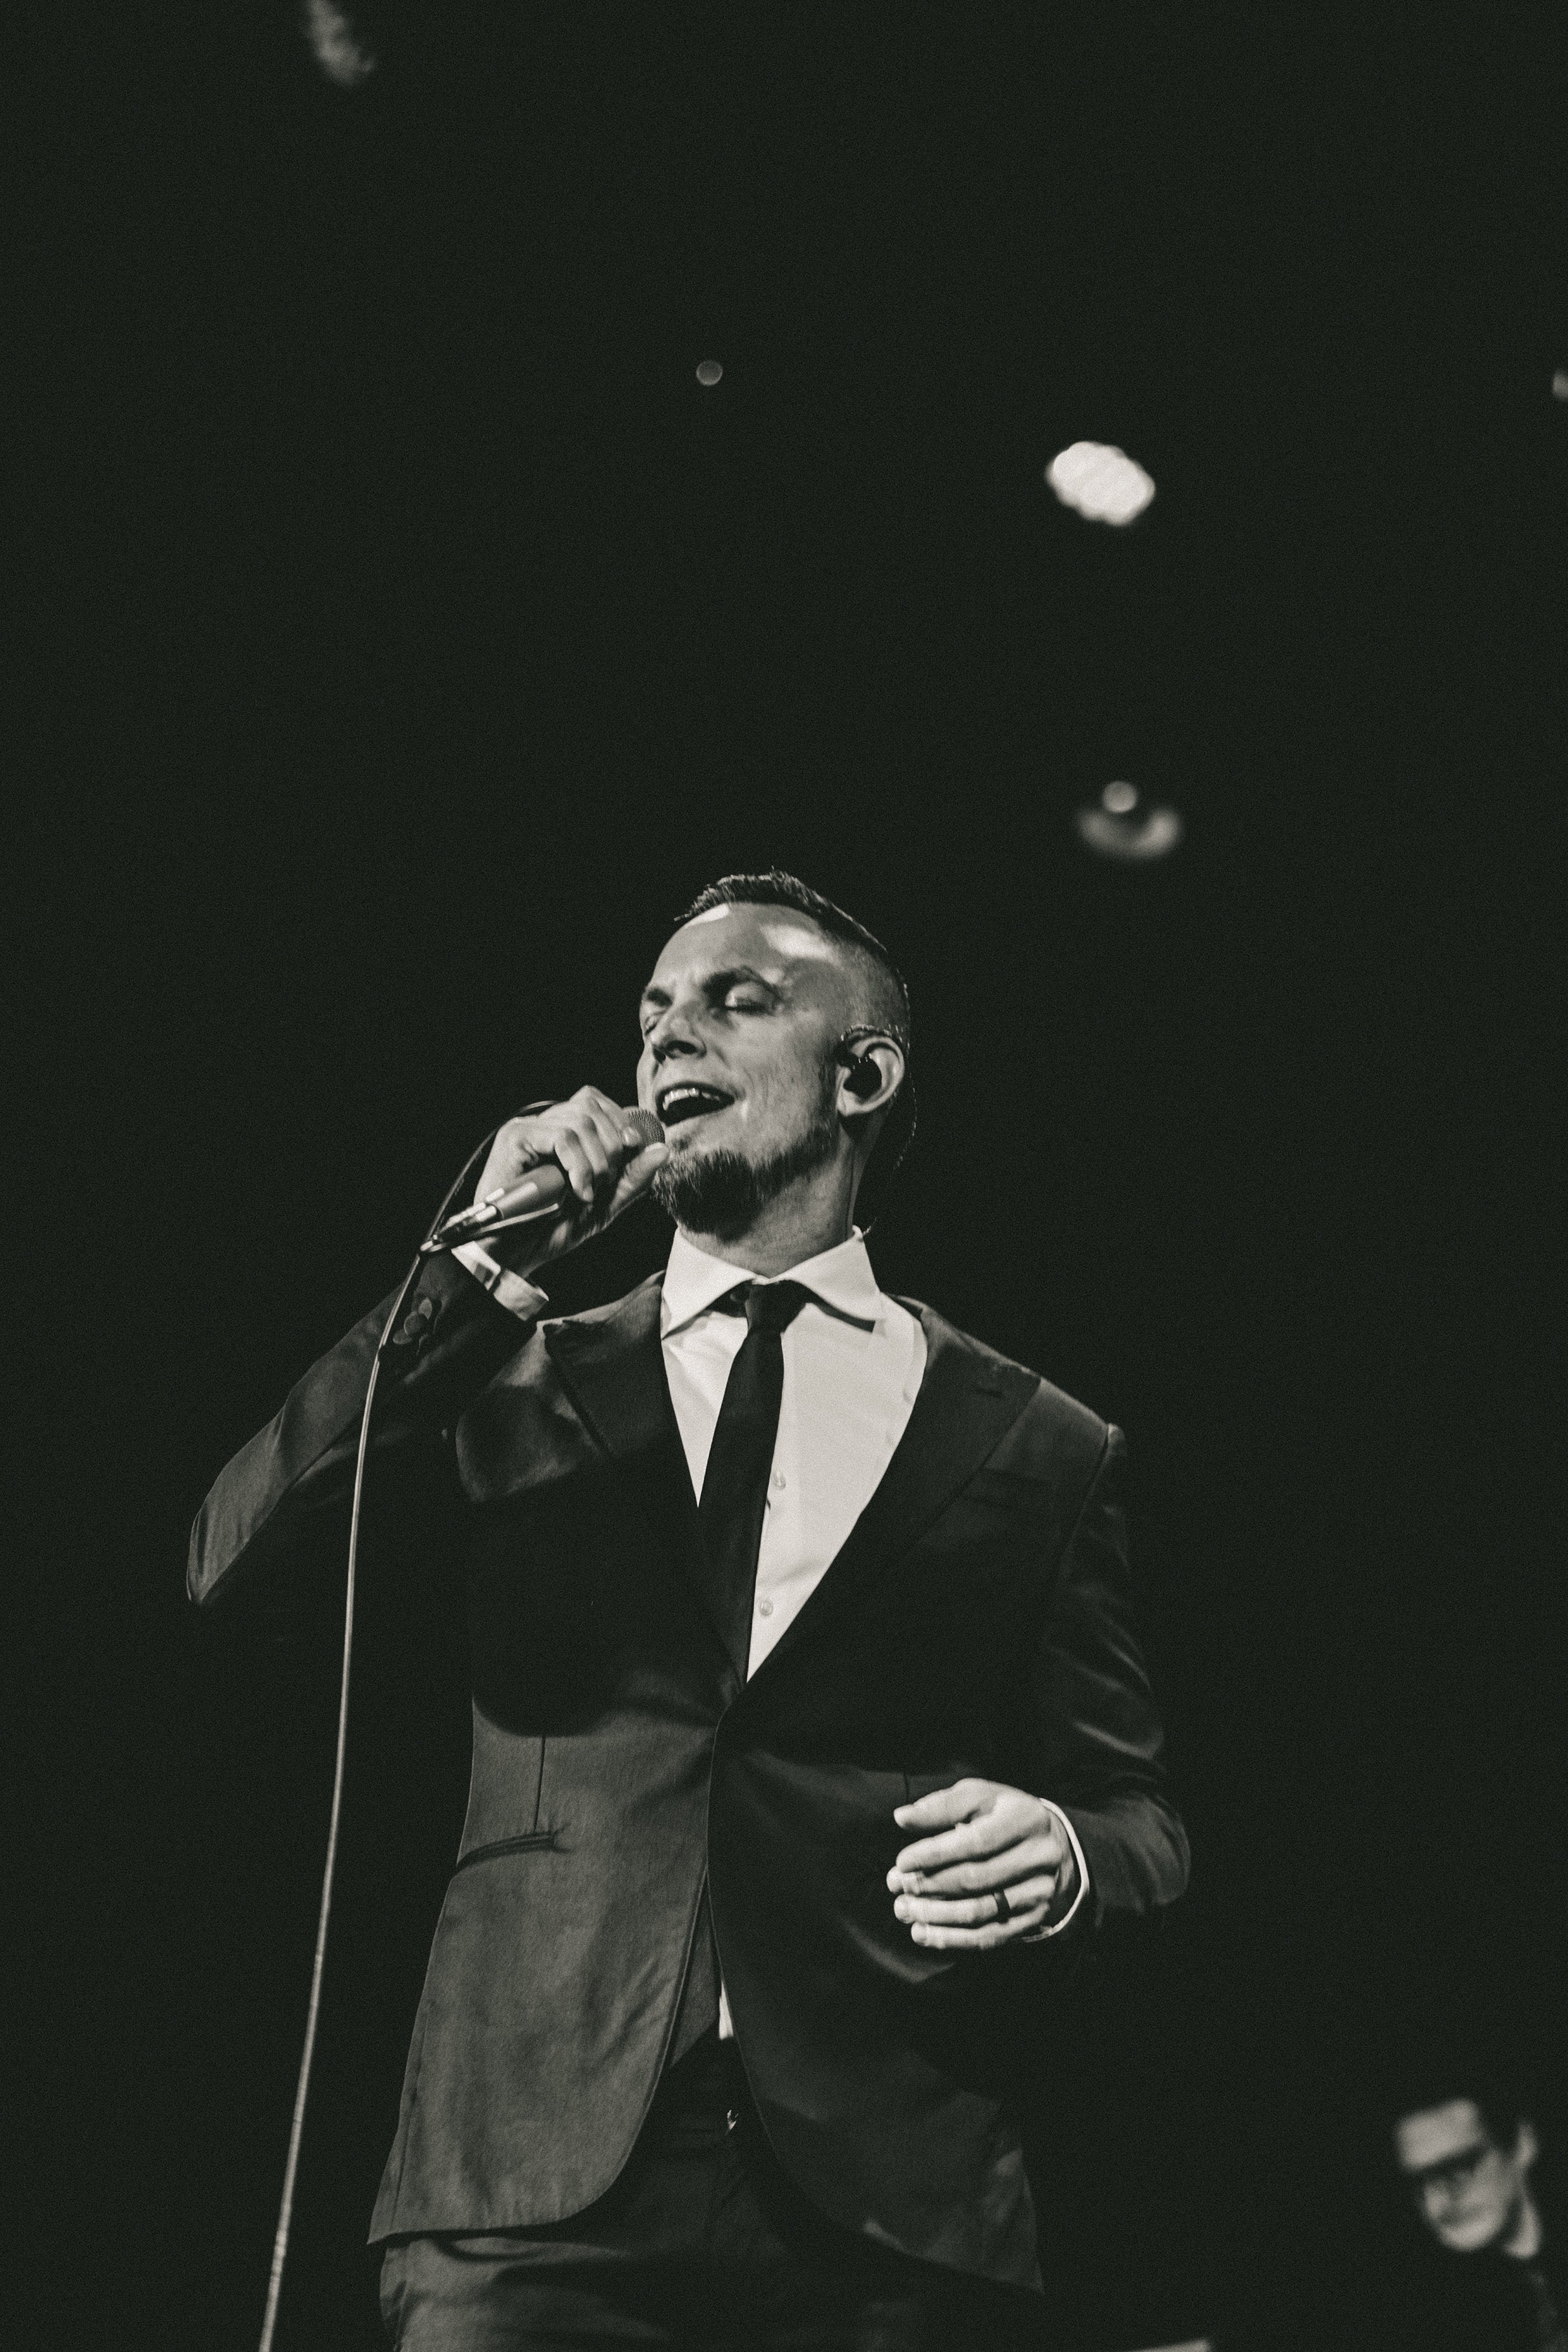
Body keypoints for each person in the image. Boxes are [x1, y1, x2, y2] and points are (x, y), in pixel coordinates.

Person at [190, 870, 1190, 2349]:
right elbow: (237, 1558)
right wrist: (474, 1264)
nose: (670, 1035)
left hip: (886, 2205)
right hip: (526, 2190)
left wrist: (1069, 1853)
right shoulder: (507, 1374)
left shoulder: (1034, 1442)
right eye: (653, 1010)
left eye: (737, 999)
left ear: (861, 1075)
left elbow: (1140, 1817)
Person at [1392, 2071, 1567, 2351]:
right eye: (1422, 2180)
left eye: (1460, 2168)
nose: (1438, 2197)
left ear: (1523, 2145)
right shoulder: (1434, 2318)